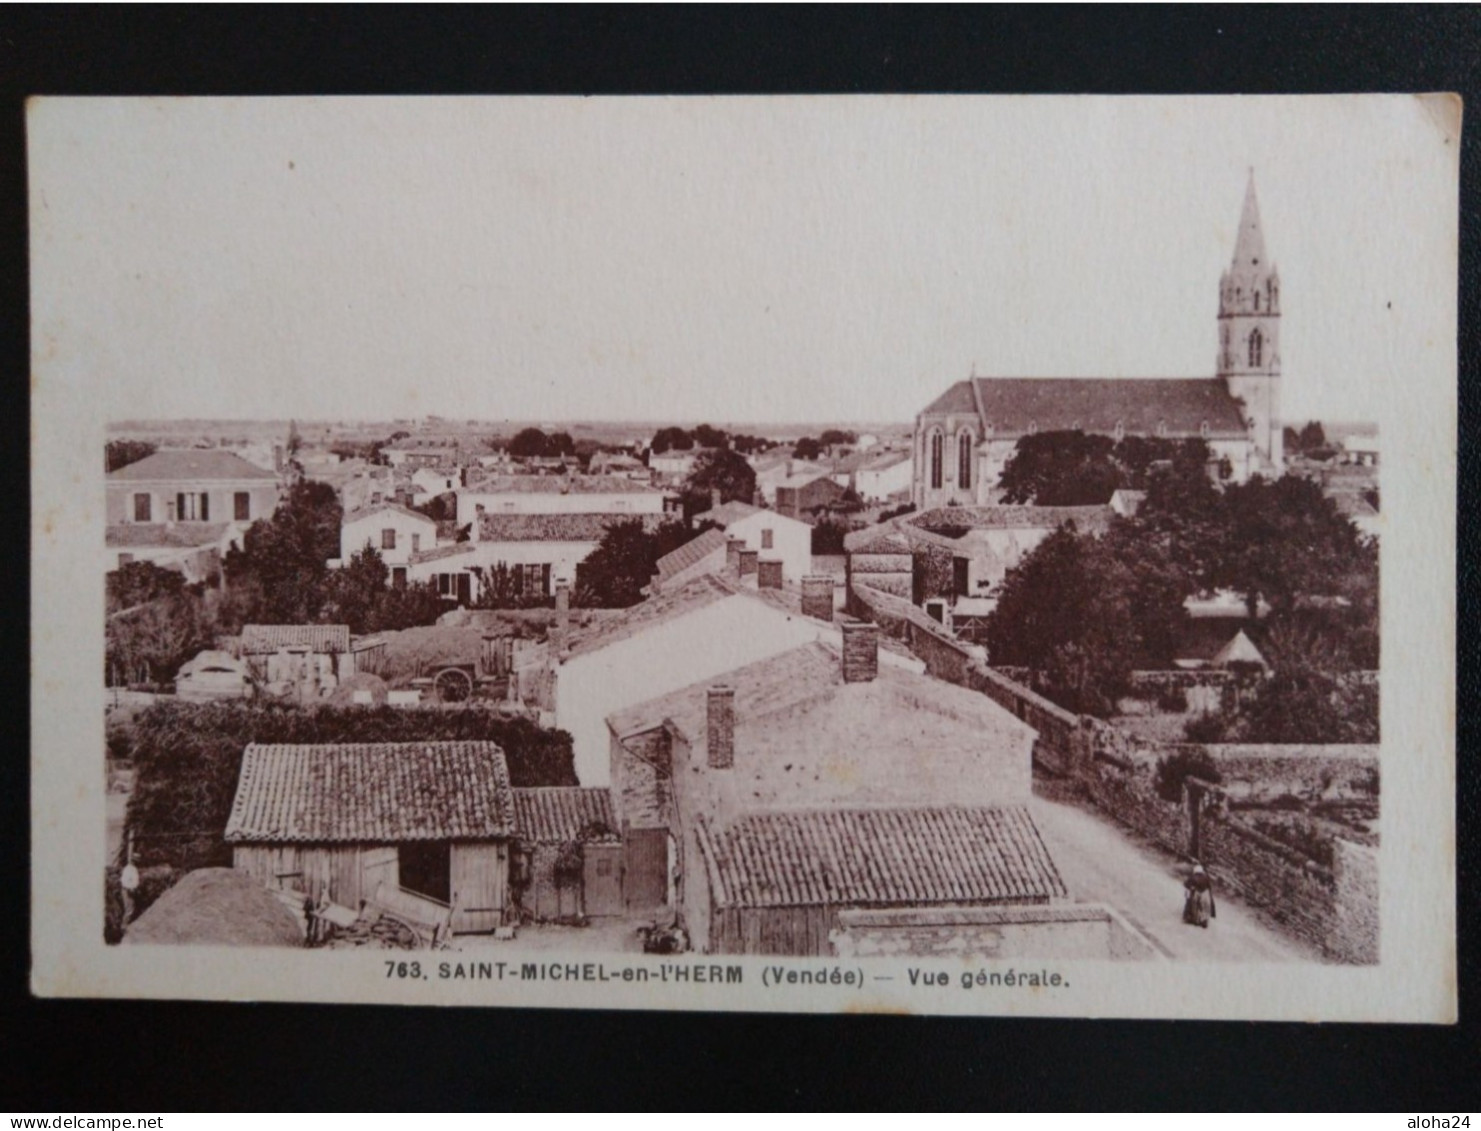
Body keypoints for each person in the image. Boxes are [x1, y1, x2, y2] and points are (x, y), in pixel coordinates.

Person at [1183, 863, 1216, 928]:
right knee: (1206, 906)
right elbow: (1209, 887)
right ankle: (1204, 920)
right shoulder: (1206, 877)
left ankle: (1191, 918)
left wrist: (1190, 888)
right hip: (1205, 893)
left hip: (1197, 893)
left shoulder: (1193, 877)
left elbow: (1186, 884)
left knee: (1191, 902)